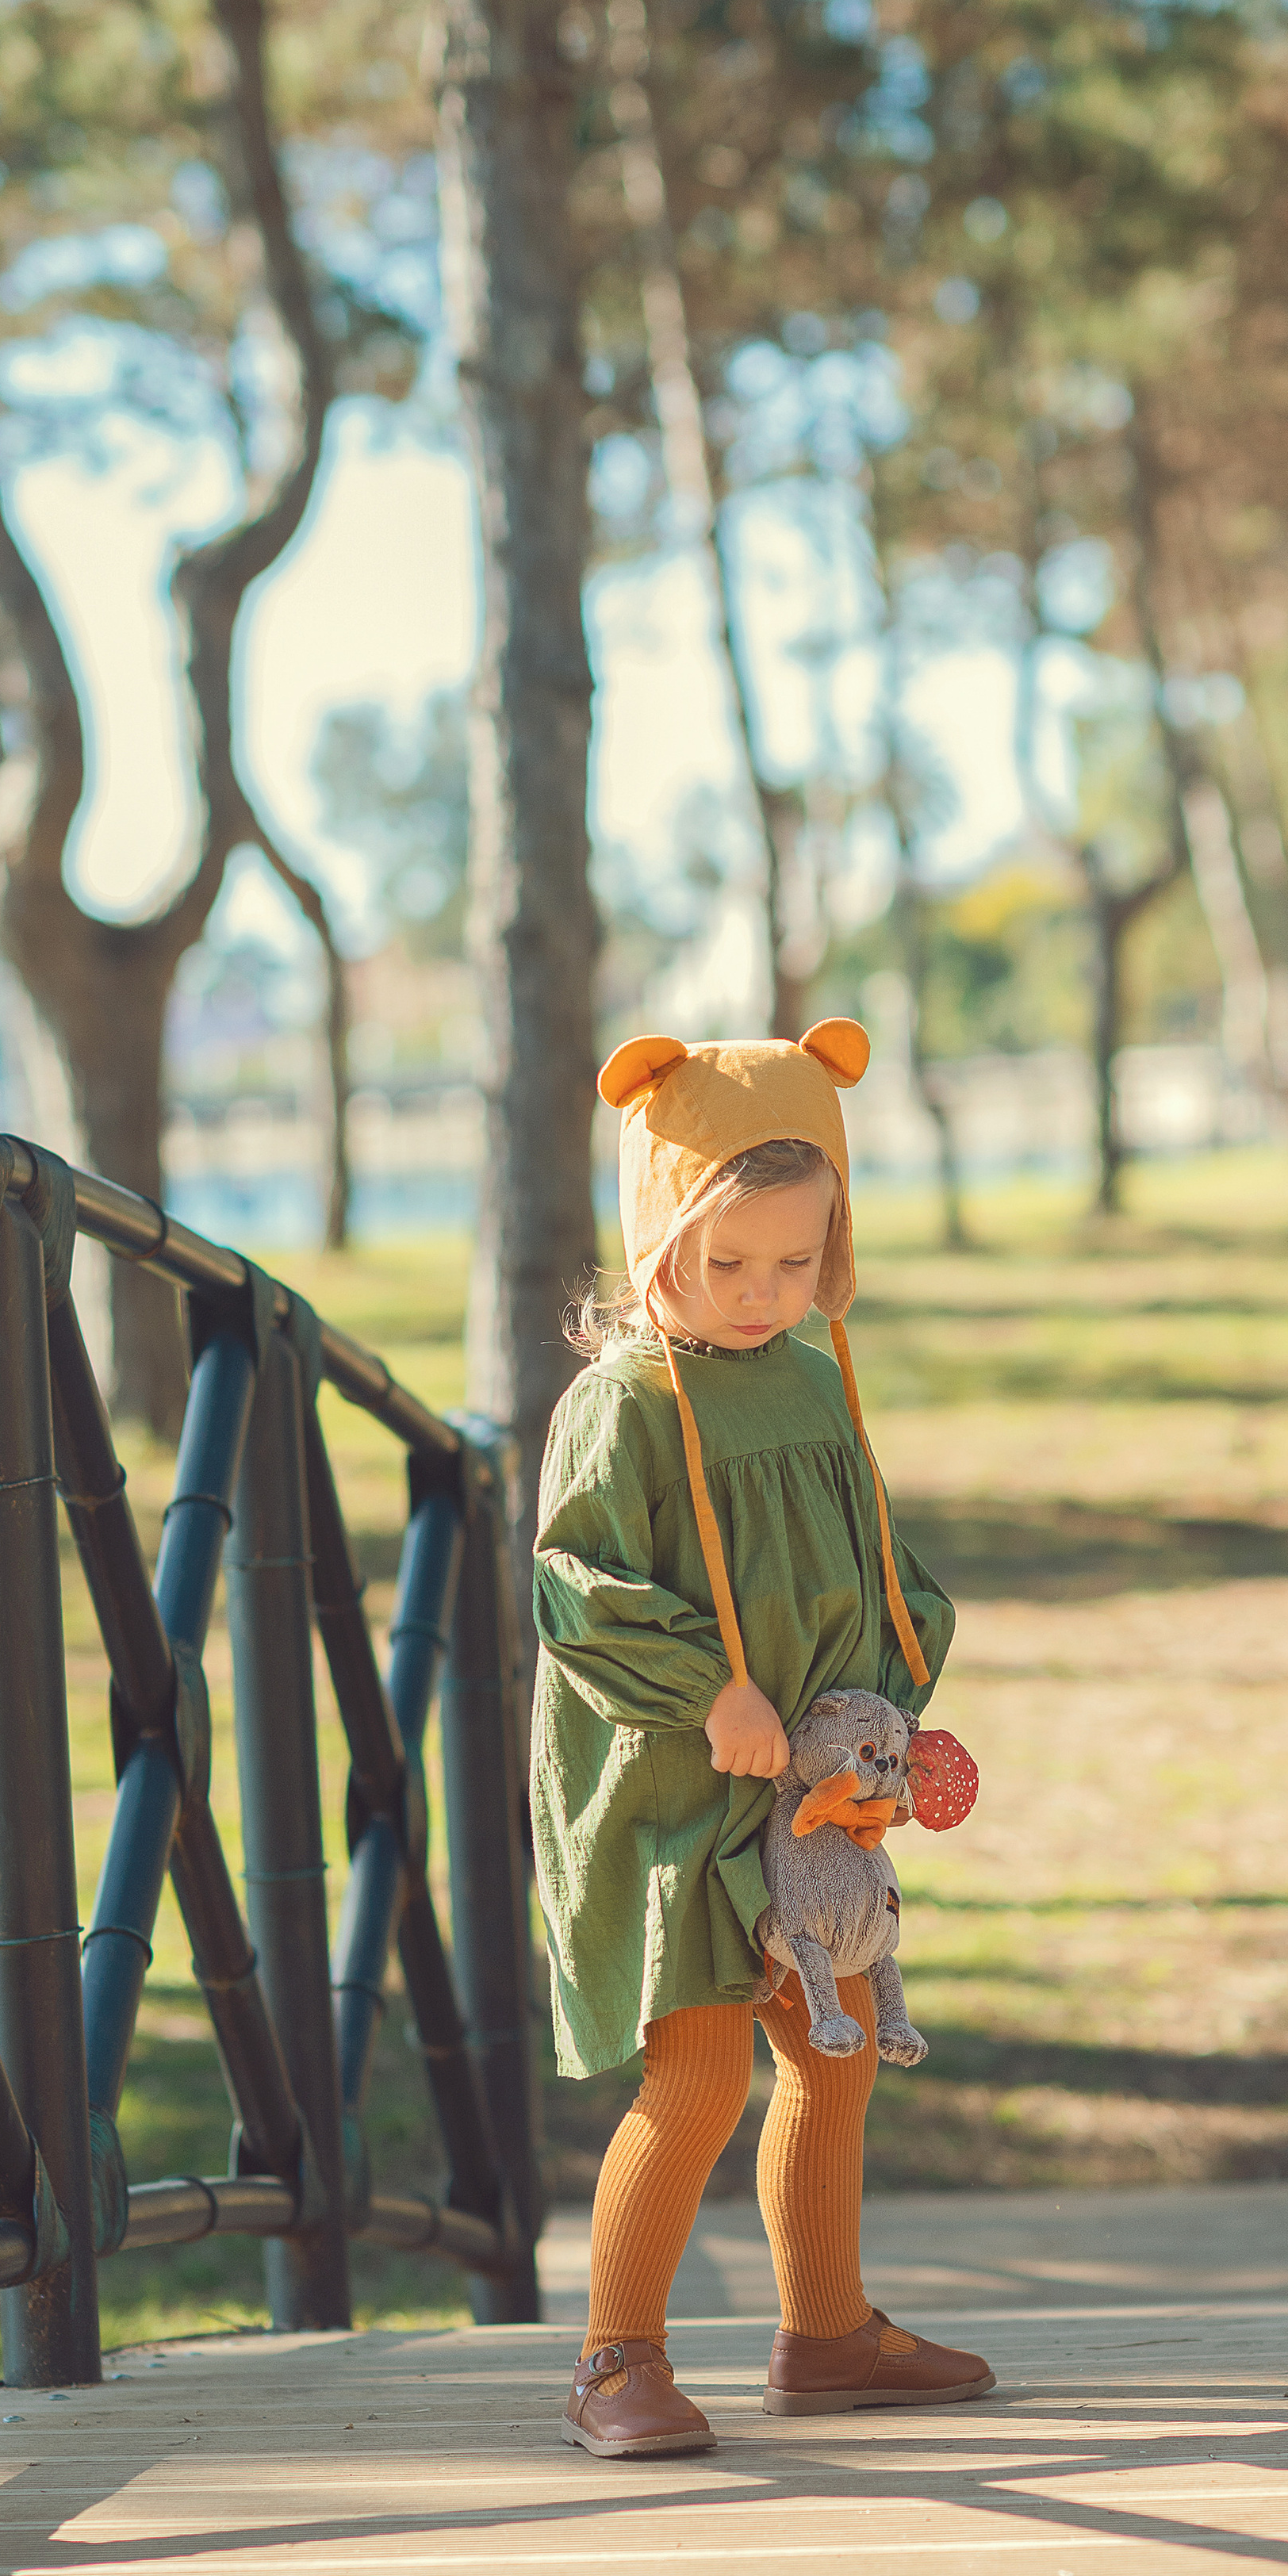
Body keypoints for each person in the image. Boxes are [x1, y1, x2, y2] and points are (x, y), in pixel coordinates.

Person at [531, 1020, 995, 2457]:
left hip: (806, 1798)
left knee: (834, 2053)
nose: (760, 1293)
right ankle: (616, 2357)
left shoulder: (810, 1380)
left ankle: (828, 2331)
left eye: (796, 1263)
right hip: (679, 1788)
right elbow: (578, 1591)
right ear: (654, 1233)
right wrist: (709, 1692)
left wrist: (891, 1706)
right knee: (698, 2077)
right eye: (725, 1260)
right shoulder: (622, 1403)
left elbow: (866, 1566)